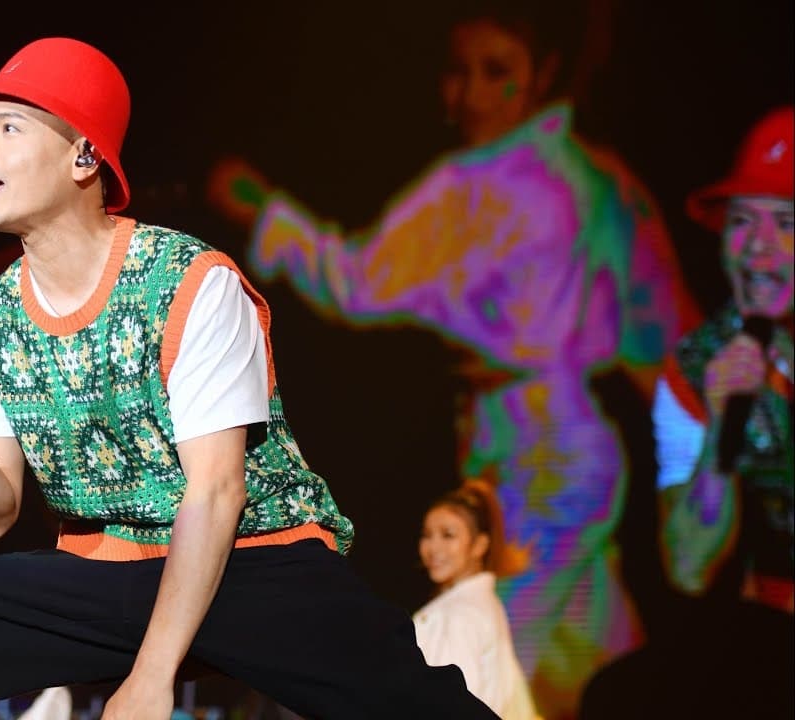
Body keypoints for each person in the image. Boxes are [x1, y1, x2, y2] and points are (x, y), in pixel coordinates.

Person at [0, 36, 498, 719]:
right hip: (109, 570)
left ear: (84, 156)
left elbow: (215, 489)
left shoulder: (187, 281)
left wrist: (152, 675)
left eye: (8, 127)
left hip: (252, 558)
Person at [206, 3, 699, 714]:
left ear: (544, 75)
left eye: (496, 72)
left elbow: (356, 282)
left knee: (481, 654)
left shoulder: (486, 186)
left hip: (543, 455)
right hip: (556, 445)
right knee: (581, 657)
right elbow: (658, 334)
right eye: (458, 72)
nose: (471, 94)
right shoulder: (596, 178)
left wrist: (260, 208)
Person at [578, 106, 794, 720]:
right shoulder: (697, 371)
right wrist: (723, 426)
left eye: (785, 222)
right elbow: (691, 566)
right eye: (742, 221)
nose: (758, 246)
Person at [415, 480, 537, 719]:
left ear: (480, 544)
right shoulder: (482, 605)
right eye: (427, 535)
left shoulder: (458, 614)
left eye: (448, 535)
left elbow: (452, 706)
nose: (433, 547)